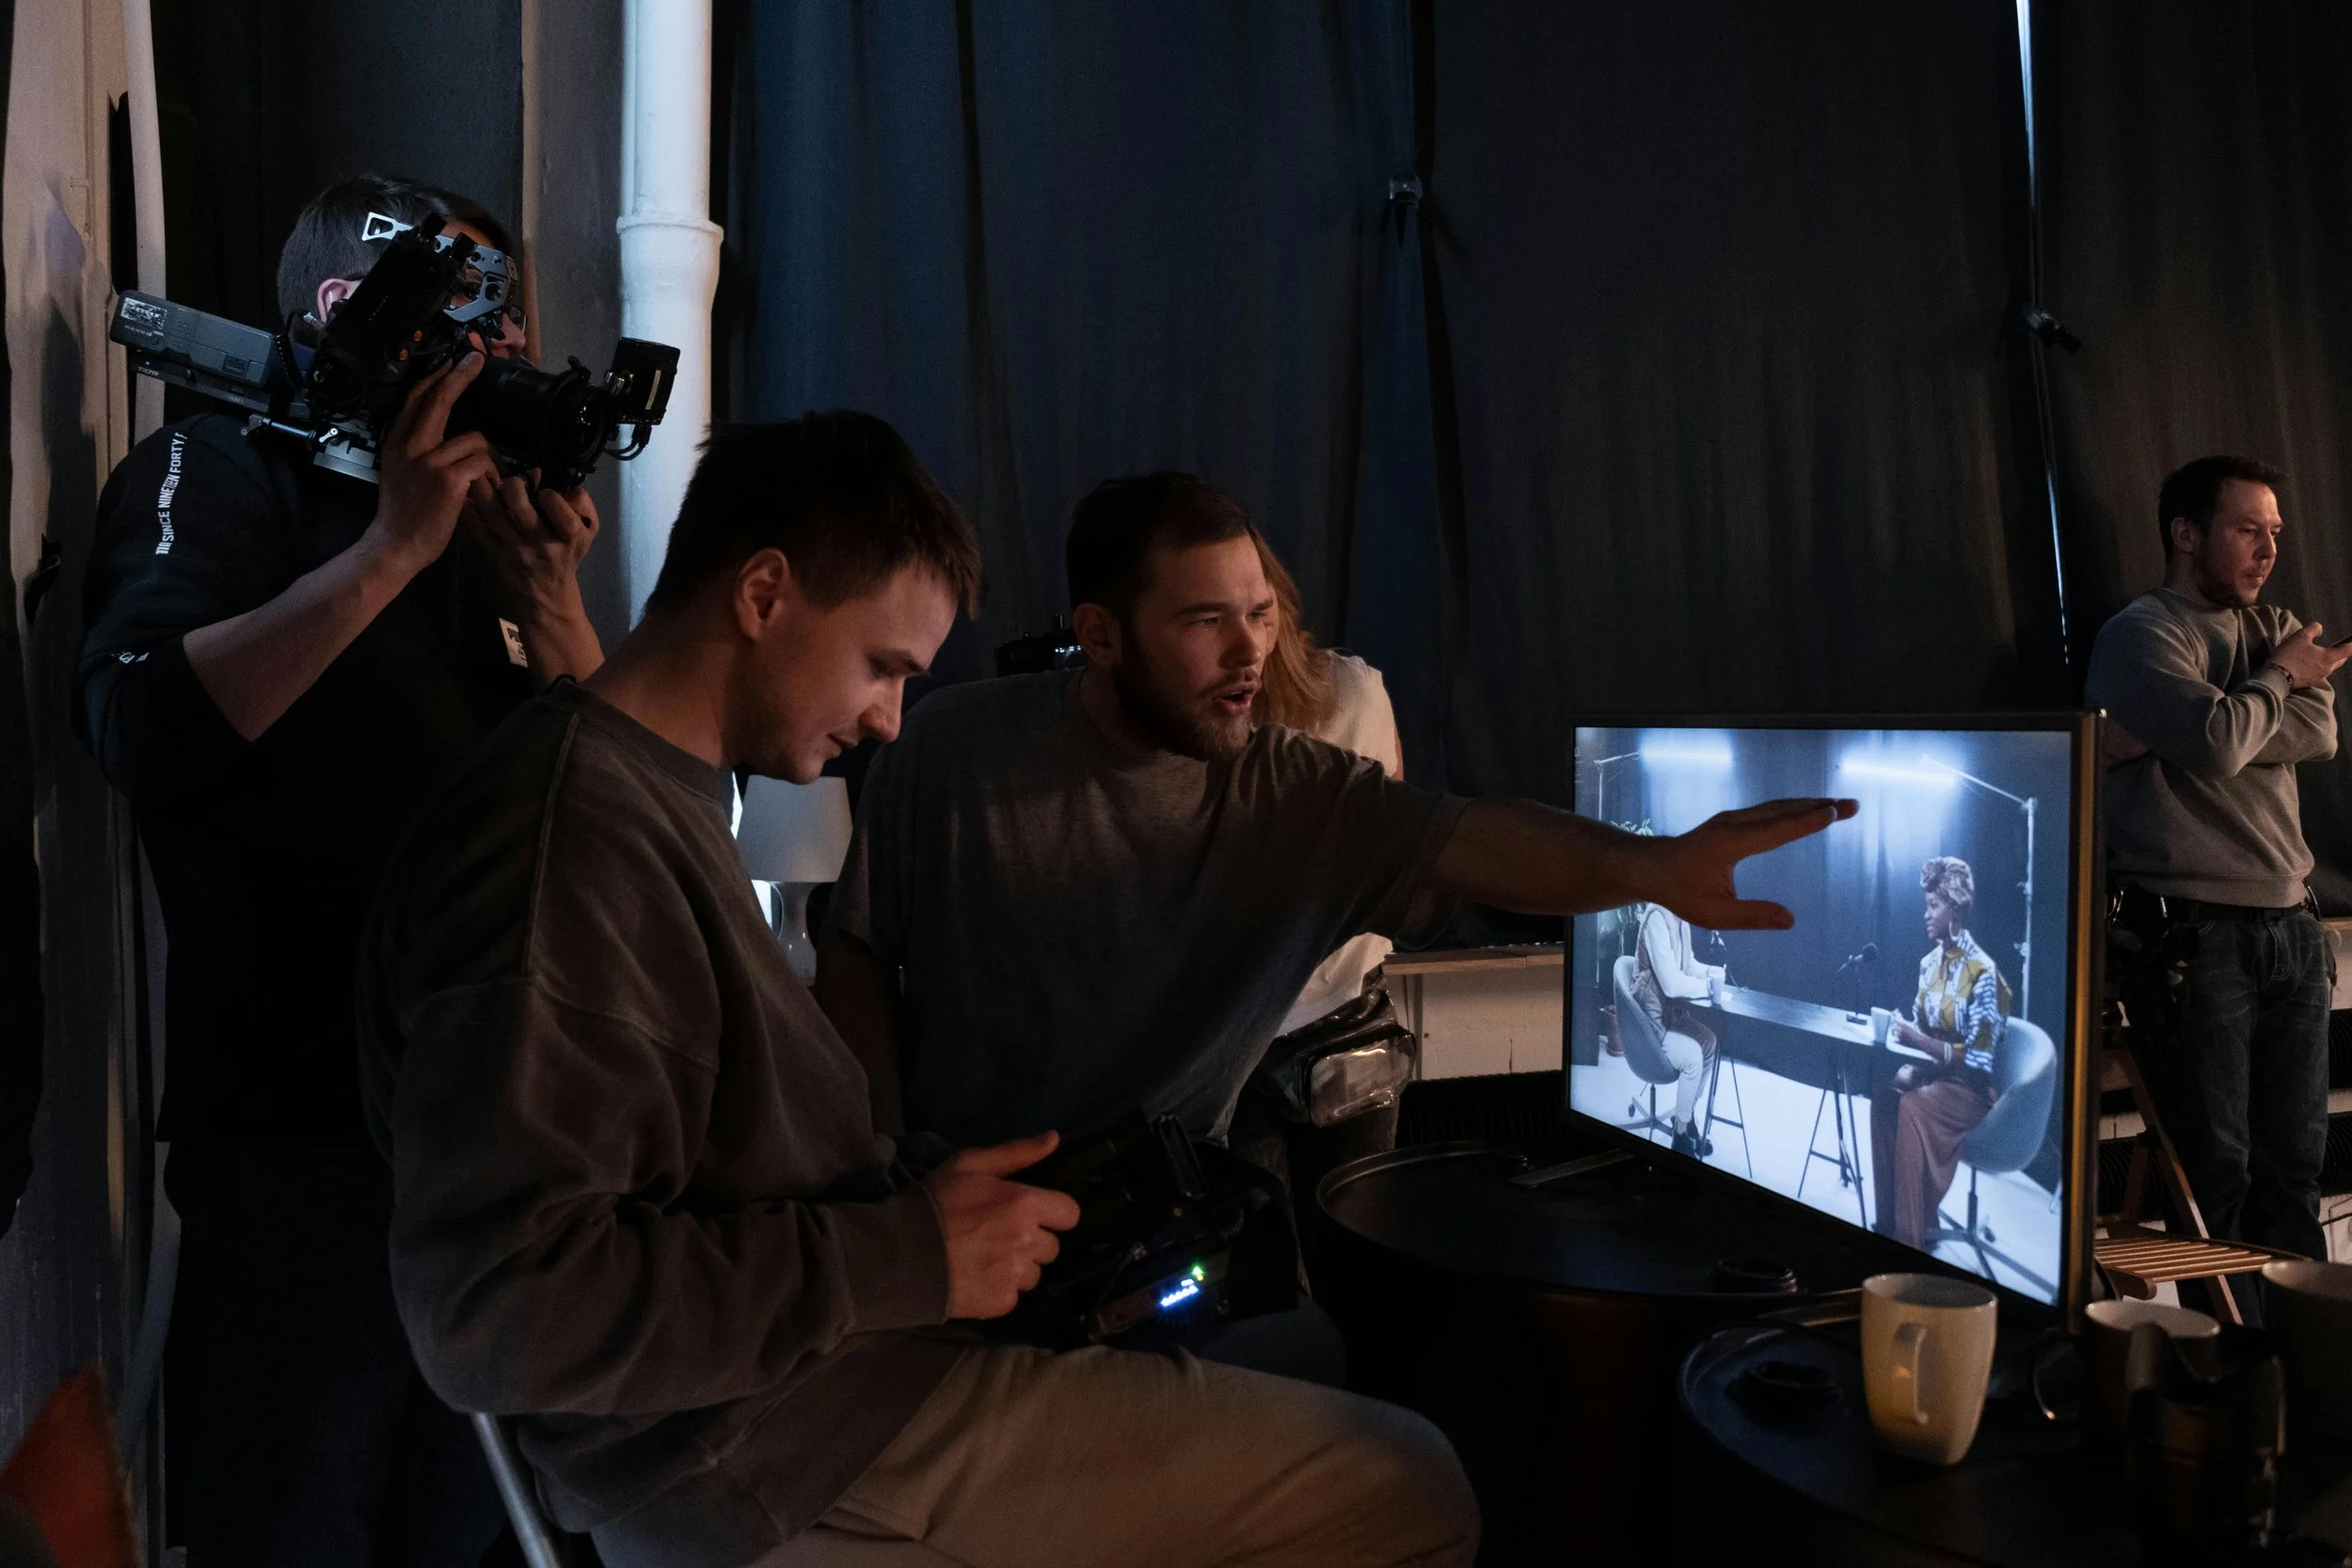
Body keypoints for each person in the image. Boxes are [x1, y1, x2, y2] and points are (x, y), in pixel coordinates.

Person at [357, 414, 1485, 1568]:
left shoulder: (648, 793)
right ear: (761, 594)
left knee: (1282, 1350)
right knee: (1406, 1487)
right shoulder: (568, 851)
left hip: (820, 1383)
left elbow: (695, 1170)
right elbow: (499, 1311)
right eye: (883, 665)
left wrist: (916, 1203)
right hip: (770, 1449)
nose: (890, 719)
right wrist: (901, 1251)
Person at [75, 174, 603, 1564]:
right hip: (300, 1147)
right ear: (345, 315)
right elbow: (141, 718)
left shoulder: (491, 543)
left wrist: (550, 604)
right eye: (461, 321)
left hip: (496, 1156)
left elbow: (617, 817)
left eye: (509, 325)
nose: (496, 358)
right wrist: (388, 550)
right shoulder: (223, 475)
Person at [817, 469, 1856, 1159]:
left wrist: (1652, 865)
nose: (1250, 652)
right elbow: (859, 947)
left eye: (1260, 613)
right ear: (1100, 632)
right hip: (944, 1222)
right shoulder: (949, 746)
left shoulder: (1295, 792)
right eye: (1204, 620)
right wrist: (876, 1159)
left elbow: (1477, 838)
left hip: (1148, 1238)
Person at [2088, 454, 2344, 1267]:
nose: (2268, 551)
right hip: (2191, 936)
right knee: (2216, 1177)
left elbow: (2321, 734)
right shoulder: (2141, 634)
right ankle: (2230, 1369)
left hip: (2293, 930)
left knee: (2295, 1172)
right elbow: (2222, 744)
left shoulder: (2275, 625)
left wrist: (2219, 725)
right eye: (2246, 530)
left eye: (2274, 533)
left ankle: (2302, 1375)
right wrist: (2274, 686)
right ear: (2187, 534)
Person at [1871, 856, 2009, 1251]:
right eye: (1926, 905)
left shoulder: (1984, 972)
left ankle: (1909, 1240)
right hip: (1935, 1077)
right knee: (1884, 1098)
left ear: (1956, 909)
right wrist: (1902, 1030)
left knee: (1913, 1107)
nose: (1926, 914)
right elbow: (1920, 1027)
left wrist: (1920, 1041)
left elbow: (1979, 1062)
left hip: (1972, 1092)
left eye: (1933, 906)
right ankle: (1889, 1222)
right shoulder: (1928, 964)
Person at [1631, 901, 1726, 1157]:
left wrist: (1710, 972)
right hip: (1649, 1019)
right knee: (1693, 1056)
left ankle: (1684, 1117)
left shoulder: (1680, 917)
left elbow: (1687, 965)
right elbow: (1671, 984)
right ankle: (1681, 1135)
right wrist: (1708, 987)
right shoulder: (1656, 918)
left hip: (1669, 1014)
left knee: (1708, 1041)